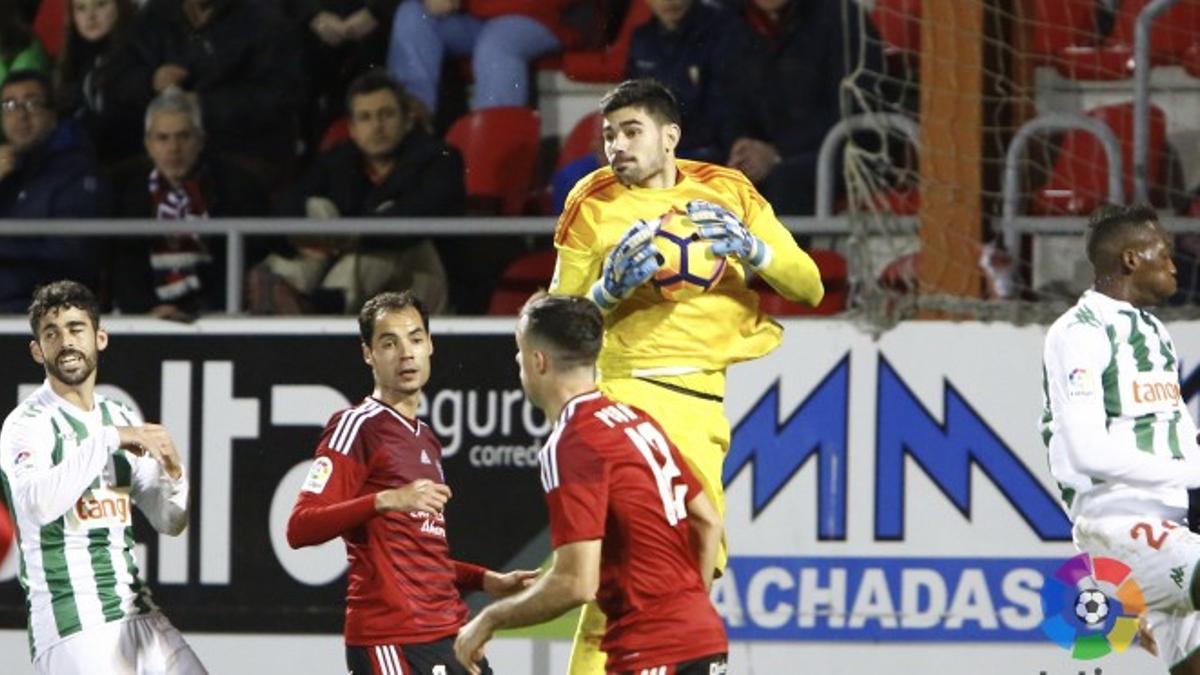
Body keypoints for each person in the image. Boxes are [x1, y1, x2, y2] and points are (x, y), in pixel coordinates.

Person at [549, 77, 824, 673]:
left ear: (670, 136)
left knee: (690, 574)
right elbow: (550, 323)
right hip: (624, 396)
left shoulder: (728, 191)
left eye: (631, 132)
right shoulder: (591, 200)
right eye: (608, 135)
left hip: (702, 407)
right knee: (627, 573)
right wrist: (603, 292)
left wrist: (755, 250)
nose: (616, 146)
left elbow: (809, 284)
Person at [453, 294, 727, 675]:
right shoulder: (637, 421)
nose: (518, 361)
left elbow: (577, 583)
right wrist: (688, 613)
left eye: (520, 351)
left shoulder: (574, 441)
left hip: (651, 652)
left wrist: (488, 619)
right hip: (703, 640)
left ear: (538, 361)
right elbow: (708, 521)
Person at [286, 290, 536, 675]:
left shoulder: (426, 438)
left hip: (450, 632)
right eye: (389, 343)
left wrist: (487, 580)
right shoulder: (356, 426)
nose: (406, 353)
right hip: (392, 639)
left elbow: (417, 551)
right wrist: (386, 500)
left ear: (430, 345)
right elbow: (300, 527)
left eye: (416, 339)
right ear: (368, 353)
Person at [0, 280, 204, 674]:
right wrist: (108, 439)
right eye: (52, 333)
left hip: (136, 612)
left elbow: (169, 521)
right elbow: (38, 504)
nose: (66, 342)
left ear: (100, 338)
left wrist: (176, 477)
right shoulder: (27, 424)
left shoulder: (121, 416)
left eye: (77, 329)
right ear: (37, 350)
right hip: (72, 624)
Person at [1042, 204, 1200, 674]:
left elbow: (1173, 436)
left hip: (1174, 524)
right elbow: (1088, 451)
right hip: (1120, 524)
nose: (1174, 264)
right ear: (1132, 259)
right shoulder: (1078, 333)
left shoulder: (1153, 334)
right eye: (1164, 253)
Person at [257, 70, 460, 315]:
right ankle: (282, 285)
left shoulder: (438, 158)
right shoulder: (338, 160)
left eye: (386, 115)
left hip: (420, 280)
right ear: (352, 128)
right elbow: (289, 206)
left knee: (384, 237)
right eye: (365, 117)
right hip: (354, 275)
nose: (377, 126)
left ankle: (321, 306)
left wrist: (349, 235)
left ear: (407, 120)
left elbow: (420, 214)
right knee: (318, 209)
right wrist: (321, 235)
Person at [108, 86, 268, 319]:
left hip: (216, 315)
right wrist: (147, 310)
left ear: (201, 140)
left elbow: (241, 260)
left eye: (183, 136)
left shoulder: (237, 187)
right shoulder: (124, 190)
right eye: (163, 138)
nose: (174, 149)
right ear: (148, 144)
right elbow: (123, 263)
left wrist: (196, 312)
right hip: (145, 315)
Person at [722, 0, 883, 214]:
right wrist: (740, 143)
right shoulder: (732, 20)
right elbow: (726, 98)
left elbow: (852, 108)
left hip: (842, 151)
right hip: (764, 152)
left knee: (784, 180)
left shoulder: (842, 16)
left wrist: (777, 152)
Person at [0, 70, 108, 313]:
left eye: (32, 103)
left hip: (44, 313)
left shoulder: (76, 171)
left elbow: (73, 254)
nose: (20, 115)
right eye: (9, 105)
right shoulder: (6, 171)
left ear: (52, 114)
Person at [385, 0, 585, 117]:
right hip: (478, 15)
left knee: (498, 43)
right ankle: (411, 120)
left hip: (544, 13)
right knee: (413, 14)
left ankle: (496, 153)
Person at [624, 0, 740, 163]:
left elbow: (725, 114)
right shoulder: (642, 39)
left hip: (705, 153)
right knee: (580, 173)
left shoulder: (724, 28)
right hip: (655, 149)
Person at [55, 0, 143, 167]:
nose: (90, 16)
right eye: (80, 8)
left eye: (100, 5)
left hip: (128, 164)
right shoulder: (74, 62)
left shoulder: (138, 54)